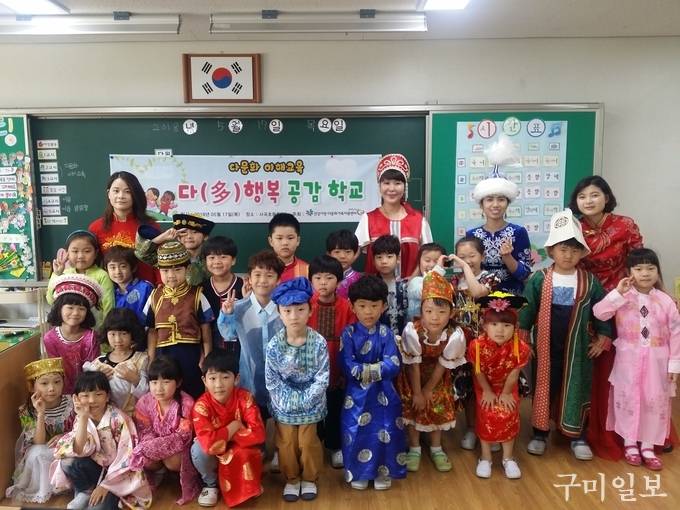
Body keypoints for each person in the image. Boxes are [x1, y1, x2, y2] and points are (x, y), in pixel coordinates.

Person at [519, 209, 612, 461]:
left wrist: (603, 337)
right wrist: (524, 339)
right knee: (544, 387)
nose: (568, 255)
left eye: (574, 250)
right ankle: (540, 433)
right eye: (563, 249)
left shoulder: (589, 281)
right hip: (546, 346)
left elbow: (602, 311)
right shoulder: (539, 279)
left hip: (578, 348)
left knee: (577, 388)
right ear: (551, 251)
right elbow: (527, 309)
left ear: (582, 253)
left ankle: (578, 436)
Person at [568, 175, 646, 459]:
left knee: (627, 367)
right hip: (586, 301)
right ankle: (585, 429)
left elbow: (639, 263)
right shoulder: (573, 227)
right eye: (582, 196)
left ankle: (633, 432)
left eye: (594, 195)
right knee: (591, 366)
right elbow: (566, 261)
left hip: (623, 302)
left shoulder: (625, 225)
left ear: (607, 197)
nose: (588, 201)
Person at [593, 248, 680, 470]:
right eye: (639, 269)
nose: (645, 273)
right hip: (628, 360)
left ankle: (648, 446)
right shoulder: (623, 297)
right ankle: (630, 443)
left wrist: (674, 364)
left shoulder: (665, 301)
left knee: (654, 400)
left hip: (657, 361)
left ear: (658, 272)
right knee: (628, 399)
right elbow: (599, 312)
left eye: (650, 268)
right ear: (629, 272)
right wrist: (617, 293)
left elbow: (676, 333)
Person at [265, 277, 329, 502]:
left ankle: (309, 478)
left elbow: (322, 378)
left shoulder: (319, 342)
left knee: (307, 442)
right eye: (287, 311)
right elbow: (272, 380)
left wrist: (305, 400)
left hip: (311, 402)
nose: (294, 316)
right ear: (279, 313)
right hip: (283, 403)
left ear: (310, 311)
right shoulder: (274, 345)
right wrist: (288, 401)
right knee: (287, 442)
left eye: (300, 309)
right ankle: (292, 479)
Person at [341, 275, 407, 491]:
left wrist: (366, 370)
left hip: (384, 394)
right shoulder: (348, 334)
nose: (368, 311)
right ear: (352, 306)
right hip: (357, 396)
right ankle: (359, 472)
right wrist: (377, 368)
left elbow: (394, 364)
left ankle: (382, 471)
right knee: (355, 431)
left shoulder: (386, 333)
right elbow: (347, 365)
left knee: (386, 430)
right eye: (362, 306)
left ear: (384, 306)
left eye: (374, 305)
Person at [50, 371, 151, 510]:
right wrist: (83, 418)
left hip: (117, 478)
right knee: (68, 461)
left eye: (98, 394)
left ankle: (105, 495)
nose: (92, 400)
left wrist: (105, 486)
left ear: (107, 396)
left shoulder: (119, 419)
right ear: (76, 398)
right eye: (85, 396)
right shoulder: (81, 417)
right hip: (95, 470)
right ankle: (86, 491)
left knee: (96, 508)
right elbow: (78, 450)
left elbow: (126, 457)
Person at [398, 270, 466, 473]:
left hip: (438, 376)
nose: (434, 317)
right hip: (413, 375)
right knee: (414, 404)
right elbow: (413, 365)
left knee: (437, 404)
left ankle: (436, 448)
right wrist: (418, 392)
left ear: (451, 313)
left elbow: (442, 364)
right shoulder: (413, 331)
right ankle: (414, 447)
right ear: (421, 310)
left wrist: (428, 390)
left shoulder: (455, 335)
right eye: (428, 311)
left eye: (441, 312)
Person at [191, 350, 266, 507]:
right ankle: (211, 484)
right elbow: (209, 444)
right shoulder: (201, 406)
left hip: (238, 446)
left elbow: (259, 433)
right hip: (216, 450)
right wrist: (234, 427)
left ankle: (246, 484)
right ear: (204, 380)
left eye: (225, 377)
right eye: (212, 378)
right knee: (199, 449)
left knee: (249, 450)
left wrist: (225, 438)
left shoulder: (245, 398)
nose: (218, 385)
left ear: (236, 378)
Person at [468, 292, 531, 479]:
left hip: (507, 386)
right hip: (484, 385)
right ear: (484, 326)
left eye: (506, 325)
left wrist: (506, 393)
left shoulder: (521, 348)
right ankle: (485, 457)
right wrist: (487, 391)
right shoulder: (476, 345)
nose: (500, 330)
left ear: (515, 327)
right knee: (486, 411)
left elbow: (514, 373)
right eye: (494, 325)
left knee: (508, 411)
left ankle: (508, 458)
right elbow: (478, 371)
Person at [217, 250, 284, 420]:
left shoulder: (284, 309)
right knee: (253, 423)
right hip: (249, 379)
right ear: (249, 279)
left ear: (278, 280)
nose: (263, 280)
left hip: (280, 380)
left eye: (269, 275)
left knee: (278, 427)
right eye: (257, 275)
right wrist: (227, 315)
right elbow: (228, 334)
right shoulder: (238, 307)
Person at [144, 240, 214, 399]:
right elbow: (152, 331)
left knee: (192, 392)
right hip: (163, 355)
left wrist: (207, 360)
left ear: (187, 269)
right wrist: (151, 359)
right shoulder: (154, 296)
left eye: (177, 270)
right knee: (167, 395)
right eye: (165, 270)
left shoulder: (197, 295)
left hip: (190, 354)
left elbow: (206, 330)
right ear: (159, 271)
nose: (171, 275)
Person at [451, 235, 500, 451]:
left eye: (471, 255)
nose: (467, 260)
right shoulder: (454, 282)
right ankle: (472, 428)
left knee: (488, 386)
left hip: (486, 343)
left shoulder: (491, 277)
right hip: (463, 344)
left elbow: (477, 292)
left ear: (483, 256)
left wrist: (464, 267)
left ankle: (490, 429)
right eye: (462, 257)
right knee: (469, 388)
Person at [130, 356, 200, 505]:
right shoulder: (144, 402)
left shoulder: (186, 403)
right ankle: (159, 472)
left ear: (178, 382)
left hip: (179, 450)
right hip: (156, 445)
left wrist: (153, 448)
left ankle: (178, 474)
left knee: (172, 461)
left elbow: (183, 437)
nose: (159, 388)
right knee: (143, 456)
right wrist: (150, 447)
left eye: (166, 382)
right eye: (154, 382)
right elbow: (144, 430)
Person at [307, 255, 356, 468]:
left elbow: (352, 339)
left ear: (339, 280)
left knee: (336, 408)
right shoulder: (306, 306)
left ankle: (335, 446)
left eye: (329, 278)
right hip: (311, 368)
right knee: (314, 410)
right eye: (318, 278)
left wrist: (346, 370)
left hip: (338, 366)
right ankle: (315, 444)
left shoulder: (347, 307)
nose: (323, 283)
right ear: (311, 280)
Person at [467, 137, 532, 294]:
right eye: (489, 199)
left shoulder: (518, 232)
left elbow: (525, 275)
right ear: (481, 204)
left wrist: (507, 257)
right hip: (480, 297)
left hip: (512, 298)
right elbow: (468, 271)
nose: (495, 204)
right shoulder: (472, 235)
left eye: (501, 199)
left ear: (507, 203)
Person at [5, 358, 74, 504]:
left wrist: (64, 436)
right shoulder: (26, 410)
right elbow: (39, 442)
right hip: (44, 449)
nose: (52, 388)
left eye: (57, 382)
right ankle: (45, 489)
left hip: (67, 446)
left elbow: (81, 428)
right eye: (44, 383)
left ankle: (65, 485)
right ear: (32, 386)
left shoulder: (72, 402)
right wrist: (41, 413)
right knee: (38, 453)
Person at [355, 153, 433, 279]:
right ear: (379, 186)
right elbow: (352, 253)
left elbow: (428, 256)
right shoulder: (368, 219)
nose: (391, 189)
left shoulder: (419, 221)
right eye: (386, 183)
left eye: (397, 183)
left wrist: (412, 281)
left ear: (405, 186)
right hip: (376, 289)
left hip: (412, 288)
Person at [89, 171, 160, 284]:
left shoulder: (150, 226)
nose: (121, 196)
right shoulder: (96, 228)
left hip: (146, 290)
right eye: (116, 191)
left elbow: (160, 263)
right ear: (108, 193)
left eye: (127, 191)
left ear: (135, 195)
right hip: (109, 291)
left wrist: (160, 288)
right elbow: (92, 265)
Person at [43, 274, 102, 394]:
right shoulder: (50, 338)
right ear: (59, 308)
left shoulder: (91, 337)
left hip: (86, 391)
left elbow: (93, 369)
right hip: (60, 392)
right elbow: (55, 371)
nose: (75, 313)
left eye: (81, 309)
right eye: (70, 307)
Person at [83, 308, 149, 415]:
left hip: (134, 418)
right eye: (112, 334)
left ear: (132, 334)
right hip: (105, 419)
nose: (118, 339)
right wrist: (98, 379)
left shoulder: (141, 360)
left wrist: (135, 380)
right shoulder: (98, 363)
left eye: (123, 334)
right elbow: (88, 392)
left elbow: (150, 395)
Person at [46, 230, 114, 327]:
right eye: (75, 251)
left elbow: (108, 307)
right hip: (69, 330)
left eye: (87, 251)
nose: (81, 256)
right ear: (67, 253)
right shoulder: (65, 275)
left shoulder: (102, 275)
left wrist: (106, 331)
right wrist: (57, 274)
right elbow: (51, 300)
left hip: (95, 329)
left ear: (96, 253)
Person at [135, 213, 215, 286]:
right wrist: (163, 237)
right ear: (178, 236)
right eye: (184, 232)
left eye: (195, 232)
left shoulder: (212, 259)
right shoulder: (170, 256)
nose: (189, 236)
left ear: (205, 236)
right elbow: (142, 254)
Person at [200, 236, 244, 354]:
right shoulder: (201, 289)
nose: (217, 262)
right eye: (212, 257)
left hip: (239, 349)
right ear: (205, 261)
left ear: (233, 260)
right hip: (211, 350)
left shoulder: (243, 286)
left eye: (223, 257)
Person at [103, 246, 153, 325]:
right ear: (106, 269)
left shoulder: (145, 287)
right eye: (112, 267)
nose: (118, 272)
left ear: (133, 268)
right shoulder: (110, 292)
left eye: (123, 266)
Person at [373, 235, 409, 336]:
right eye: (379, 257)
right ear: (373, 260)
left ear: (398, 259)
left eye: (389, 257)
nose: (384, 261)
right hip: (377, 338)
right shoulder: (370, 285)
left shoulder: (404, 285)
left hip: (401, 337)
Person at [406, 242, 446, 321]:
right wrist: (437, 271)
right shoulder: (415, 282)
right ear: (419, 262)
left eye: (436, 261)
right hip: (418, 326)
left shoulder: (445, 284)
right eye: (427, 260)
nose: (432, 265)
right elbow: (427, 291)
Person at [268, 212, 309, 281]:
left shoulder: (307, 270)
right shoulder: (261, 270)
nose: (285, 243)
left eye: (290, 238)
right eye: (279, 238)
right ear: (271, 241)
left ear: (298, 240)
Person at [326, 229, 362, 299]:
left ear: (355, 254)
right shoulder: (321, 279)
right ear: (329, 254)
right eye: (337, 252)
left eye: (348, 252)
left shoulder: (360, 280)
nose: (342, 256)